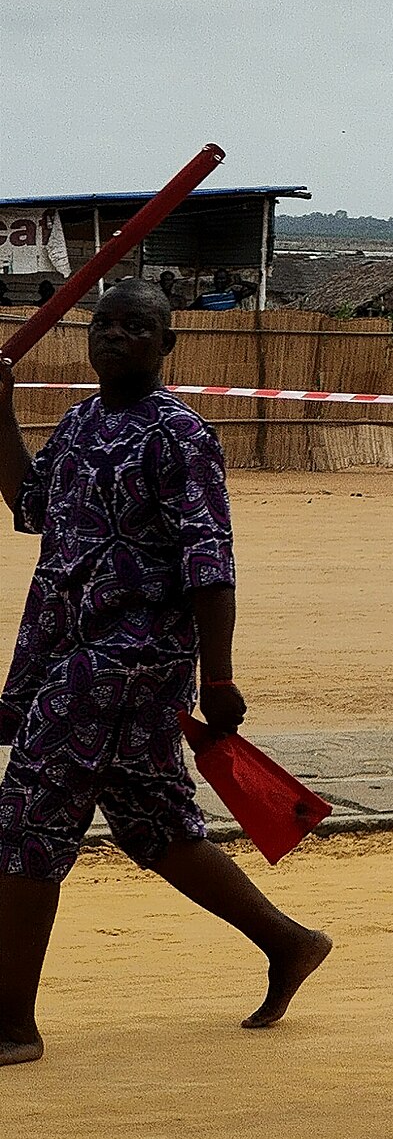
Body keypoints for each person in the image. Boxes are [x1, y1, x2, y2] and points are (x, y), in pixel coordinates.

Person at [0, 279, 330, 1066]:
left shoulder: (180, 435)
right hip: (64, 647)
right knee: (152, 823)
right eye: (104, 323)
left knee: (26, 821)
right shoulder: (83, 421)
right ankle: (288, 943)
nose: (115, 335)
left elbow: (210, 564)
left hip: (129, 659)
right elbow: (30, 505)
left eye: (136, 326)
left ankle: (10, 1023)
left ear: (166, 344)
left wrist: (217, 679)